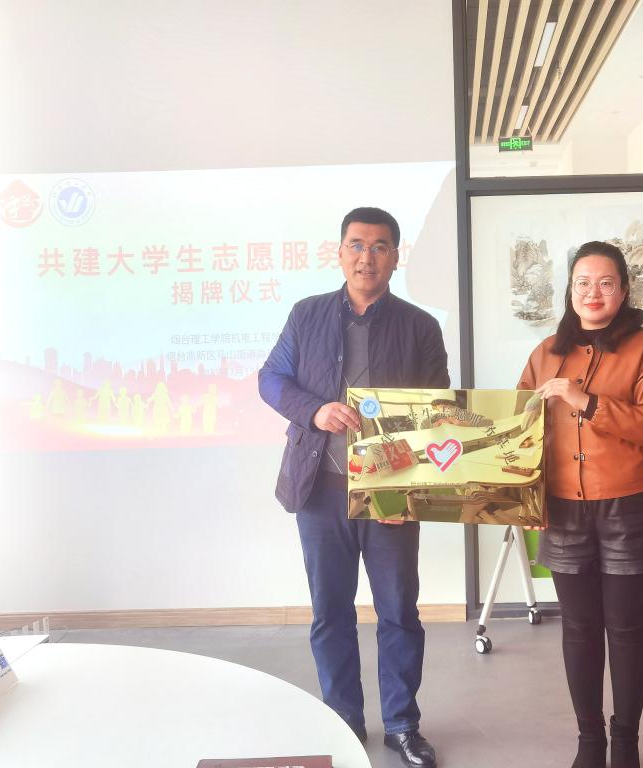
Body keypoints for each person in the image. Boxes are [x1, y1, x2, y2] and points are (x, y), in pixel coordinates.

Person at [258, 207, 447, 768]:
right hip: (320, 487)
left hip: (390, 492)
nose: (368, 256)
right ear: (340, 252)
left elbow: (437, 411)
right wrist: (315, 411)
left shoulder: (420, 325)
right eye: (357, 245)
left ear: (395, 257)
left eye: (380, 246)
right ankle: (341, 719)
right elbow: (271, 379)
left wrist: (408, 492)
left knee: (399, 613)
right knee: (330, 612)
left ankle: (402, 725)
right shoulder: (307, 314)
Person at [518, 241, 643, 768]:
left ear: (624, 291)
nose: (593, 293)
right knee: (579, 628)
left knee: (627, 629)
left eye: (605, 283)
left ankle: (626, 741)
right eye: (582, 283)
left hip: (632, 507)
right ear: (570, 290)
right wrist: (520, 497)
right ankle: (590, 740)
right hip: (564, 509)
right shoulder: (545, 353)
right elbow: (518, 431)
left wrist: (587, 402)